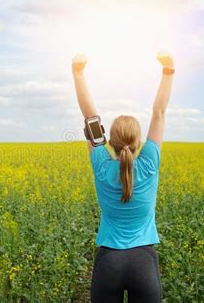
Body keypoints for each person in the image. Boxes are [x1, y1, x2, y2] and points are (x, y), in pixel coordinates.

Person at [71, 51, 175, 302]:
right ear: (139, 142)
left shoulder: (102, 165)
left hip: (109, 263)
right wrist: (168, 71)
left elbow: (90, 117)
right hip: (143, 263)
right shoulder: (149, 162)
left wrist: (78, 73)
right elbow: (159, 113)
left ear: (112, 142)